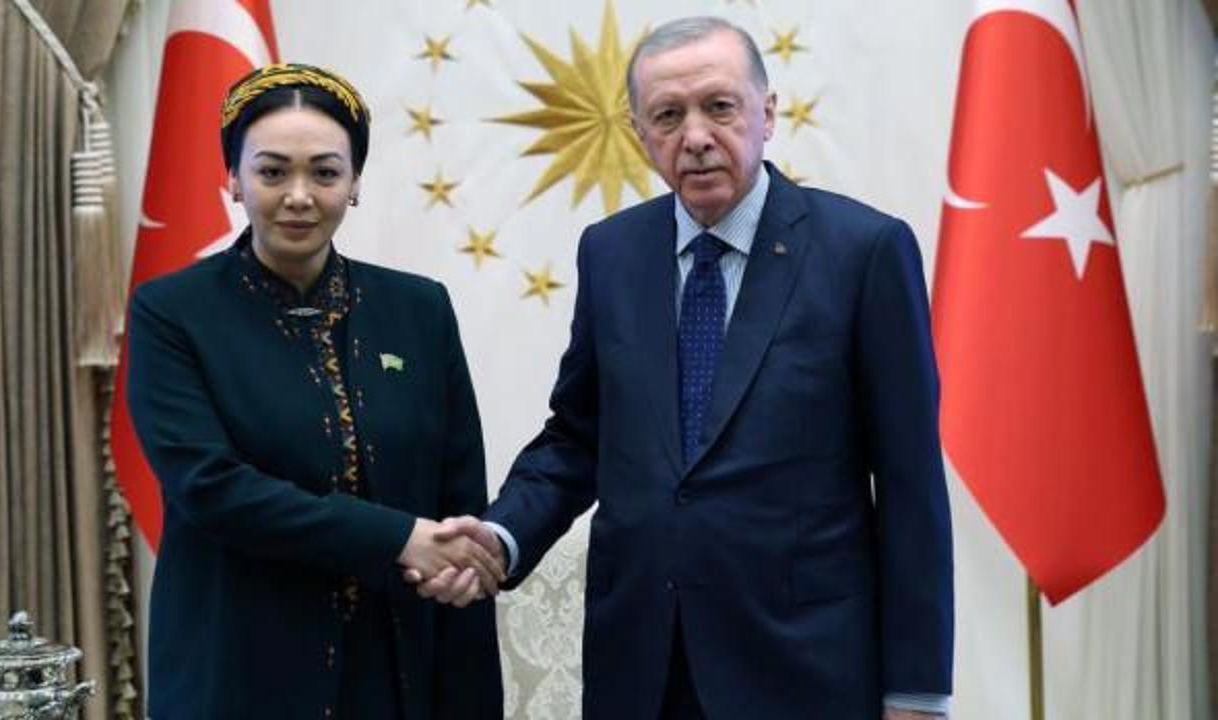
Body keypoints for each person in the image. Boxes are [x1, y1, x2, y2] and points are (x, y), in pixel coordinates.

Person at [412, 17, 953, 720]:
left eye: (719, 107)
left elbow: (911, 485)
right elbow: (579, 437)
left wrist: (917, 692)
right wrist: (501, 535)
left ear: (767, 114)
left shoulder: (864, 251)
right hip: (643, 667)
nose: (695, 136)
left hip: (804, 669)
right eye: (668, 116)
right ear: (641, 134)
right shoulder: (611, 252)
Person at [127, 63, 504, 719]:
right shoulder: (172, 312)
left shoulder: (419, 308)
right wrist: (396, 537)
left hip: (398, 665)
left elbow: (457, 491)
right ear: (233, 179)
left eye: (325, 173)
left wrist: (458, 569)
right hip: (240, 667)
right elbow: (210, 487)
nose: (299, 195)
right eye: (272, 172)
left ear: (354, 183)